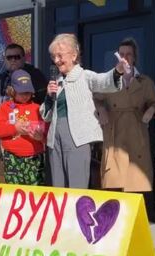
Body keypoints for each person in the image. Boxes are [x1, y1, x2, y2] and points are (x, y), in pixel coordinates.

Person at [40, 33, 127, 189]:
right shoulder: (56, 81)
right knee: (58, 185)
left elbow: (104, 81)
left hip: (77, 137)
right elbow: (45, 115)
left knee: (76, 184)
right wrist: (48, 96)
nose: (56, 60)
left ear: (74, 55)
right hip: (54, 139)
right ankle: (62, 213)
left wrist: (118, 71)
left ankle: (75, 213)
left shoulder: (84, 76)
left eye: (60, 55)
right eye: (53, 56)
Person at [95, 37, 155, 216]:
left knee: (136, 177)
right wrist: (101, 109)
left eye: (128, 54)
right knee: (114, 177)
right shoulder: (109, 79)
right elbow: (95, 98)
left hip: (136, 130)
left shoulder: (144, 81)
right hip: (114, 130)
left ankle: (139, 221)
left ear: (134, 58)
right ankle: (113, 219)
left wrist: (151, 111)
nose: (125, 58)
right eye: (121, 54)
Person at [0, 69, 48, 185]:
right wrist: (15, 128)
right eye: (21, 92)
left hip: (35, 158)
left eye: (28, 92)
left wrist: (41, 138)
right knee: (14, 192)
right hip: (12, 158)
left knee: (36, 190)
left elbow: (48, 135)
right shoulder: (5, 107)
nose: (25, 96)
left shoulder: (38, 108)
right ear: (12, 90)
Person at [0, 43, 48, 113]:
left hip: (26, 121)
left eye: (17, 57)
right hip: (3, 122)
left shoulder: (35, 75)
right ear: (5, 59)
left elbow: (44, 100)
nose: (13, 60)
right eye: (9, 58)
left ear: (23, 58)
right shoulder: (1, 78)